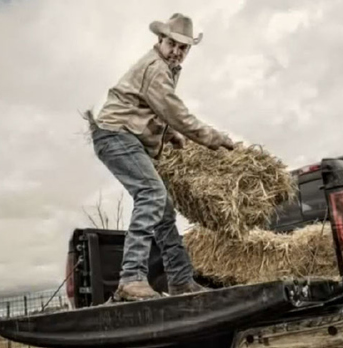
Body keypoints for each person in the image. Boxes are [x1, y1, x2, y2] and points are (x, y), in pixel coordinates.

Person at [85, 13, 234, 302]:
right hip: (115, 136)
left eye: (184, 47)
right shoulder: (157, 68)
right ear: (160, 40)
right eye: (172, 44)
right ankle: (131, 278)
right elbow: (175, 112)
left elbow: (149, 110)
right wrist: (212, 138)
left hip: (124, 135)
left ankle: (180, 280)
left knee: (163, 208)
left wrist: (169, 136)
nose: (177, 51)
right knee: (151, 194)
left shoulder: (166, 68)